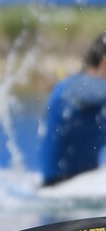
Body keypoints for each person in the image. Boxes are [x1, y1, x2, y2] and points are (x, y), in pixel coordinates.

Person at [39, 33, 106, 187]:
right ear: (104, 63)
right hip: (57, 189)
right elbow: (91, 91)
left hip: (80, 188)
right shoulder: (74, 86)